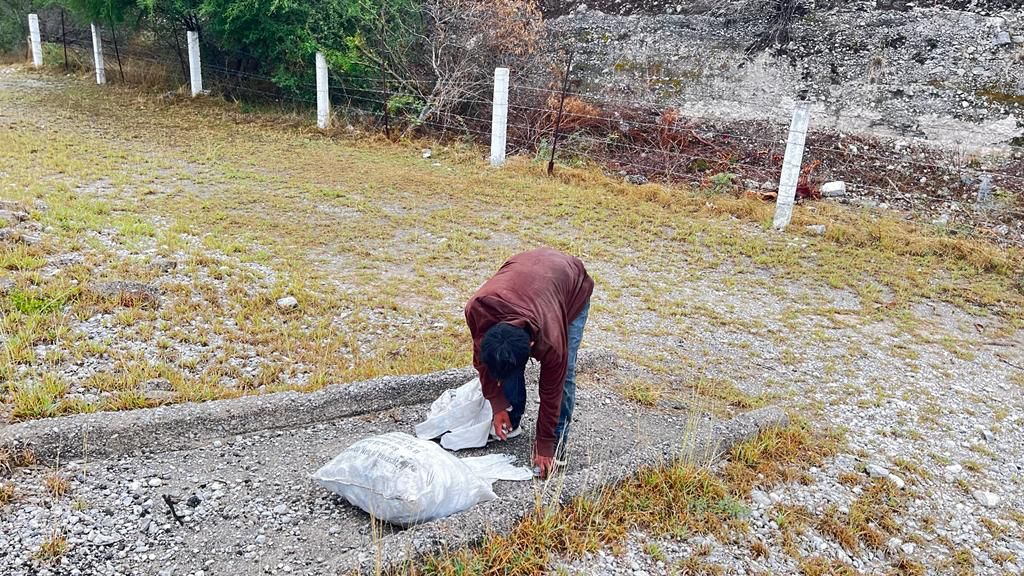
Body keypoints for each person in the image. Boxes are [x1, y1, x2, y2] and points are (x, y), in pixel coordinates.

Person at [464, 248, 594, 478]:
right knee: (506, 362)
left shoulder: (551, 341)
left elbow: (551, 391)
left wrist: (544, 443)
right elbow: (482, 363)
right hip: (525, 271)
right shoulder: (477, 310)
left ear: (532, 344)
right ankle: (511, 418)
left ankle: (557, 442)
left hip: (571, 282)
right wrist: (497, 404)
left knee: (566, 372)